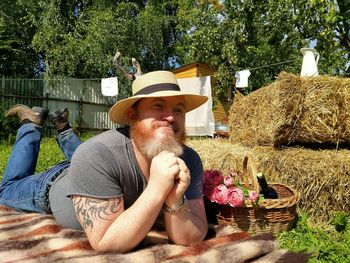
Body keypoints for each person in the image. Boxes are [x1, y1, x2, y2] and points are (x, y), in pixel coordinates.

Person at [0, 70, 209, 253]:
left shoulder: (189, 160)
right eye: (157, 106)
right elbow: (106, 242)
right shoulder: (96, 154)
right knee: (7, 190)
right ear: (132, 115)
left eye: (178, 110)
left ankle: (64, 129)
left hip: (94, 169)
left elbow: (191, 237)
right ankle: (30, 124)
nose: (171, 117)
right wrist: (156, 189)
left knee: (91, 155)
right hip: (50, 186)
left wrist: (174, 199)